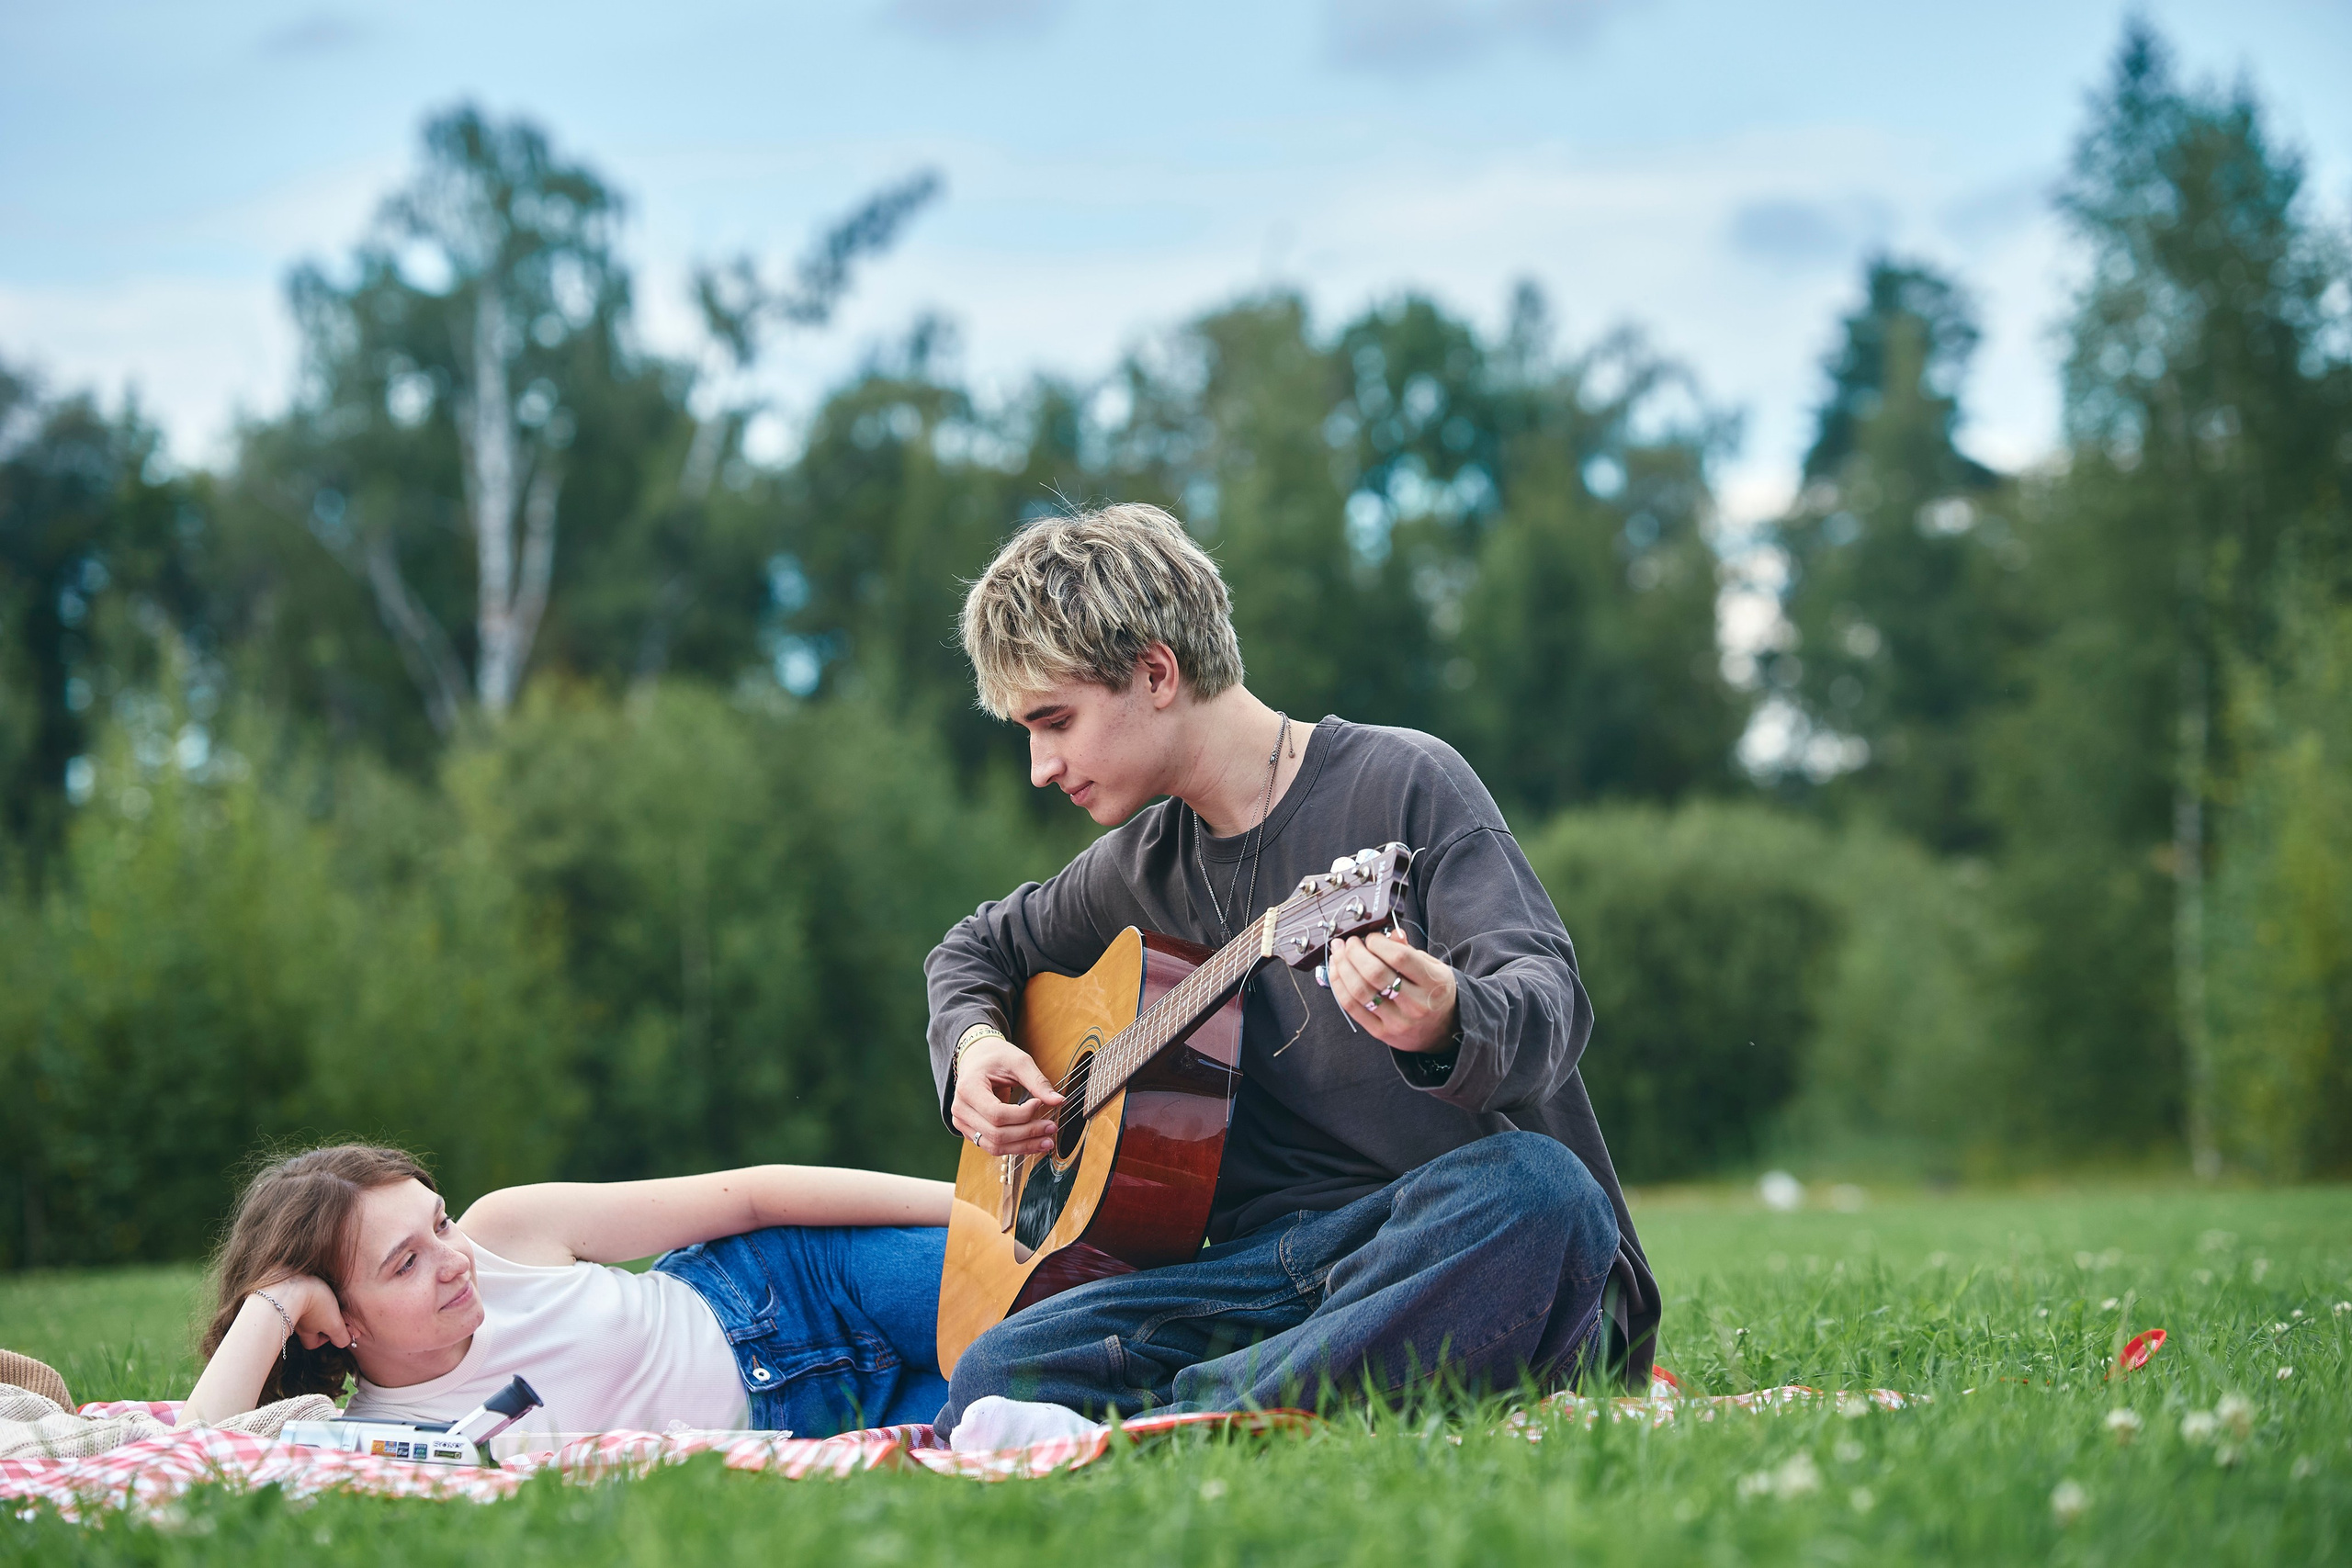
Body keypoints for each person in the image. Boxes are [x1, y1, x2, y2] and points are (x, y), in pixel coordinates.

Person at [927, 502, 1661, 1435]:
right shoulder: (1137, 866)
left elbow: (1545, 996)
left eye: (1054, 721)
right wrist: (974, 1044)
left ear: (1156, 672)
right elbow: (975, 949)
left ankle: (1190, 1422)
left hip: (1442, 1249)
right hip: (1270, 1282)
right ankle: (1254, 1405)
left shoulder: (1405, 781)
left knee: (1543, 1194)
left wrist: (1450, 1022)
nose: (1039, 765)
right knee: (1003, 1357)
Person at [184, 1145, 951, 1442]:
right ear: (330, 1322)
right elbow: (198, 1453)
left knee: (1052, 1282)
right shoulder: (393, 1440)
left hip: (800, 1286)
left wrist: (977, 1212)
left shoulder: (506, 1229)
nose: (454, 1260)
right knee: (1047, 1383)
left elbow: (753, 1196)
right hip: (819, 1424)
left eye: (440, 1222)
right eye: (405, 1263)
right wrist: (273, 1302)